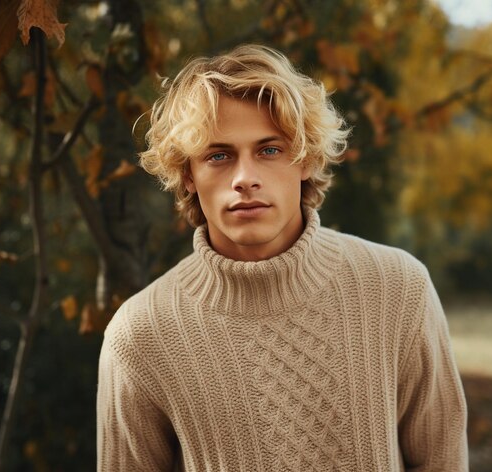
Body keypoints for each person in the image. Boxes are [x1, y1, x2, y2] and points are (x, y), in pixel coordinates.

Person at [96, 44, 468, 471]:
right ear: (187, 174)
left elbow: (442, 461)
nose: (244, 179)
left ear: (306, 158)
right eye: (218, 156)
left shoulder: (398, 288)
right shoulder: (141, 334)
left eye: (269, 150)